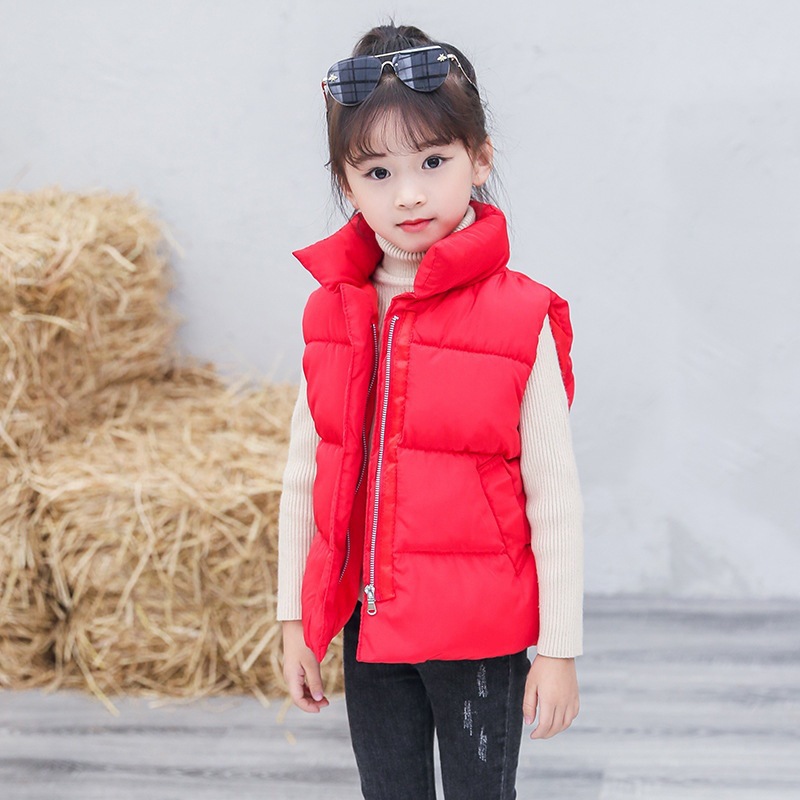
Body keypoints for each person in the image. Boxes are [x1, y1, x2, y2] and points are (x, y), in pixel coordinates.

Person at [277, 22, 584, 800]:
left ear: (480, 159)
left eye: (433, 162)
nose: (408, 193)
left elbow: (554, 496)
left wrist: (559, 648)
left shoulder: (520, 318)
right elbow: (306, 475)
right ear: (347, 184)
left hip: (480, 637)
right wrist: (294, 619)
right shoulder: (333, 313)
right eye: (377, 171)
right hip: (370, 628)